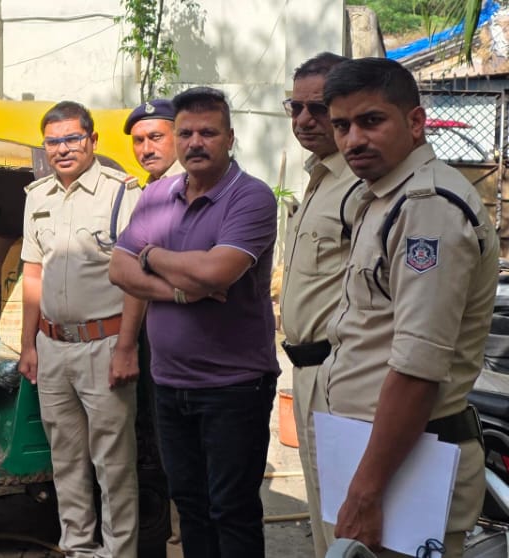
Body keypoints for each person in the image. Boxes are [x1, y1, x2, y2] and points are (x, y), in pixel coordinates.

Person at [320, 57, 494, 557]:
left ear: (415, 122)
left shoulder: (427, 207)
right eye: (342, 126)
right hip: (374, 454)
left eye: (371, 121)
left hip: (407, 465)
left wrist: (366, 491)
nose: (353, 140)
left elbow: (418, 369)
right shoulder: (381, 196)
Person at [109, 87, 279, 558]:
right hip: (169, 383)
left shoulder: (251, 197)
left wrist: (151, 255)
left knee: (232, 510)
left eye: (208, 132)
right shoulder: (158, 194)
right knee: (189, 505)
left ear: (230, 138)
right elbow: (118, 269)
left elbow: (216, 273)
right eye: (185, 133)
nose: (195, 142)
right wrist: (183, 290)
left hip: (234, 386)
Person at [16, 101, 142, 558]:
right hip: (52, 348)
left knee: (113, 464)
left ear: (92, 140)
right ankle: (77, 548)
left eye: (73, 138)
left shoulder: (121, 193)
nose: (63, 148)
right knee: (65, 461)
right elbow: (33, 274)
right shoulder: (38, 196)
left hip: (104, 345)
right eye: (53, 141)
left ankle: (119, 552)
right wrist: (28, 345)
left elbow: (137, 278)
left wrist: (127, 347)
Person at [277, 51, 355, 558]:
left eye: (319, 108)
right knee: (324, 513)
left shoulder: (361, 183)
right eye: (296, 107)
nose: (305, 119)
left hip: (343, 375)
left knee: (349, 519)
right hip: (306, 373)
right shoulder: (319, 177)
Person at [124, 99, 183, 183]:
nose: (147, 150)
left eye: (156, 137)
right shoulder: (146, 186)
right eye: (139, 140)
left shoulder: (195, 183)